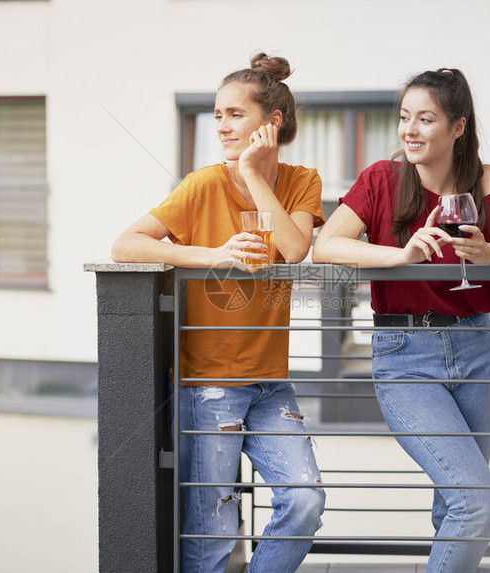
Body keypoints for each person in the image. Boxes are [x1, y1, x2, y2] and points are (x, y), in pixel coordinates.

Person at [312, 68, 490, 573]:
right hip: (405, 356)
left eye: (425, 119)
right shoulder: (382, 179)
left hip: (479, 354)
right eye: (404, 118)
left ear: (458, 127)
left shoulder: (488, 182)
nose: (409, 130)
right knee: (476, 502)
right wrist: (399, 257)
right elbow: (325, 248)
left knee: (454, 504)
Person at [111, 53, 325, 573]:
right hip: (207, 384)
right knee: (212, 531)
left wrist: (253, 173)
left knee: (304, 500)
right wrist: (213, 255)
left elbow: (294, 248)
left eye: (235, 114)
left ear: (271, 123)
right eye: (218, 115)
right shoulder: (202, 184)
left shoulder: (301, 180)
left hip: (271, 382)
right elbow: (125, 245)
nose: (222, 126)